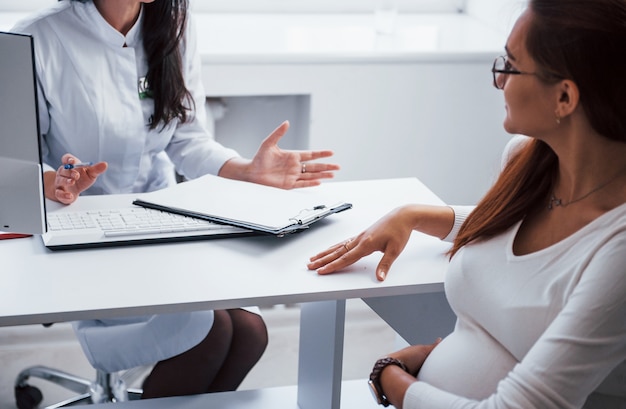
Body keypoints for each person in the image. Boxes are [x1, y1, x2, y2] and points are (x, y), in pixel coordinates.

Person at [12, 0, 340, 399]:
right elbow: (12, 165)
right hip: (83, 233)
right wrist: (53, 182)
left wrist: (246, 170)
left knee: (250, 332)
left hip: (160, 218)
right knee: (210, 331)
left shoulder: (173, 21)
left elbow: (186, 137)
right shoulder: (36, 36)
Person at [308, 0, 626, 407]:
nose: (498, 81)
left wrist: (389, 377)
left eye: (510, 65)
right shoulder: (531, 159)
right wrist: (413, 214)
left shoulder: (617, 252)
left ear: (564, 97)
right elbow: (523, 230)